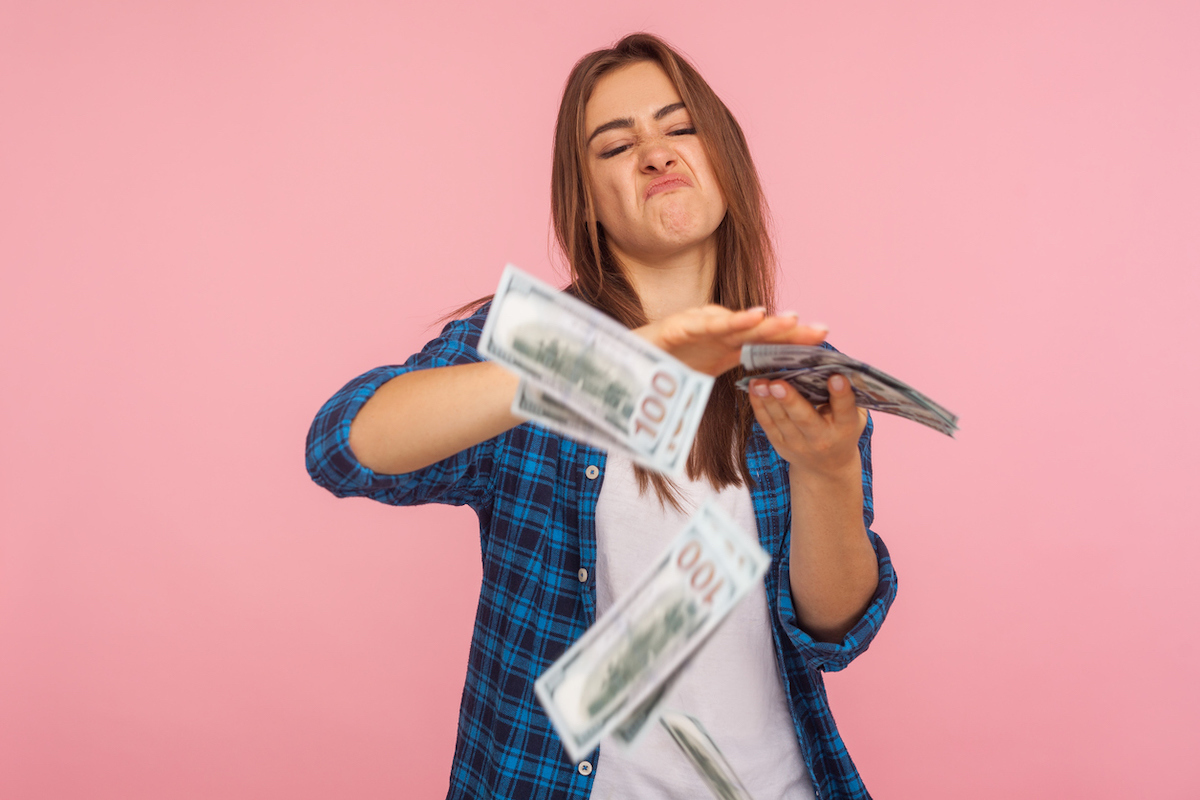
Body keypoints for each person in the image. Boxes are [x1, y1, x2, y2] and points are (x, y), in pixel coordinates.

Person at [307, 33, 897, 800]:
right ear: (584, 199)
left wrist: (829, 472)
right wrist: (609, 360)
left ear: (725, 161)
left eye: (678, 128)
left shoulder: (802, 373)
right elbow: (343, 446)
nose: (655, 154)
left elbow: (832, 634)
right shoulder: (539, 342)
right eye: (617, 145)